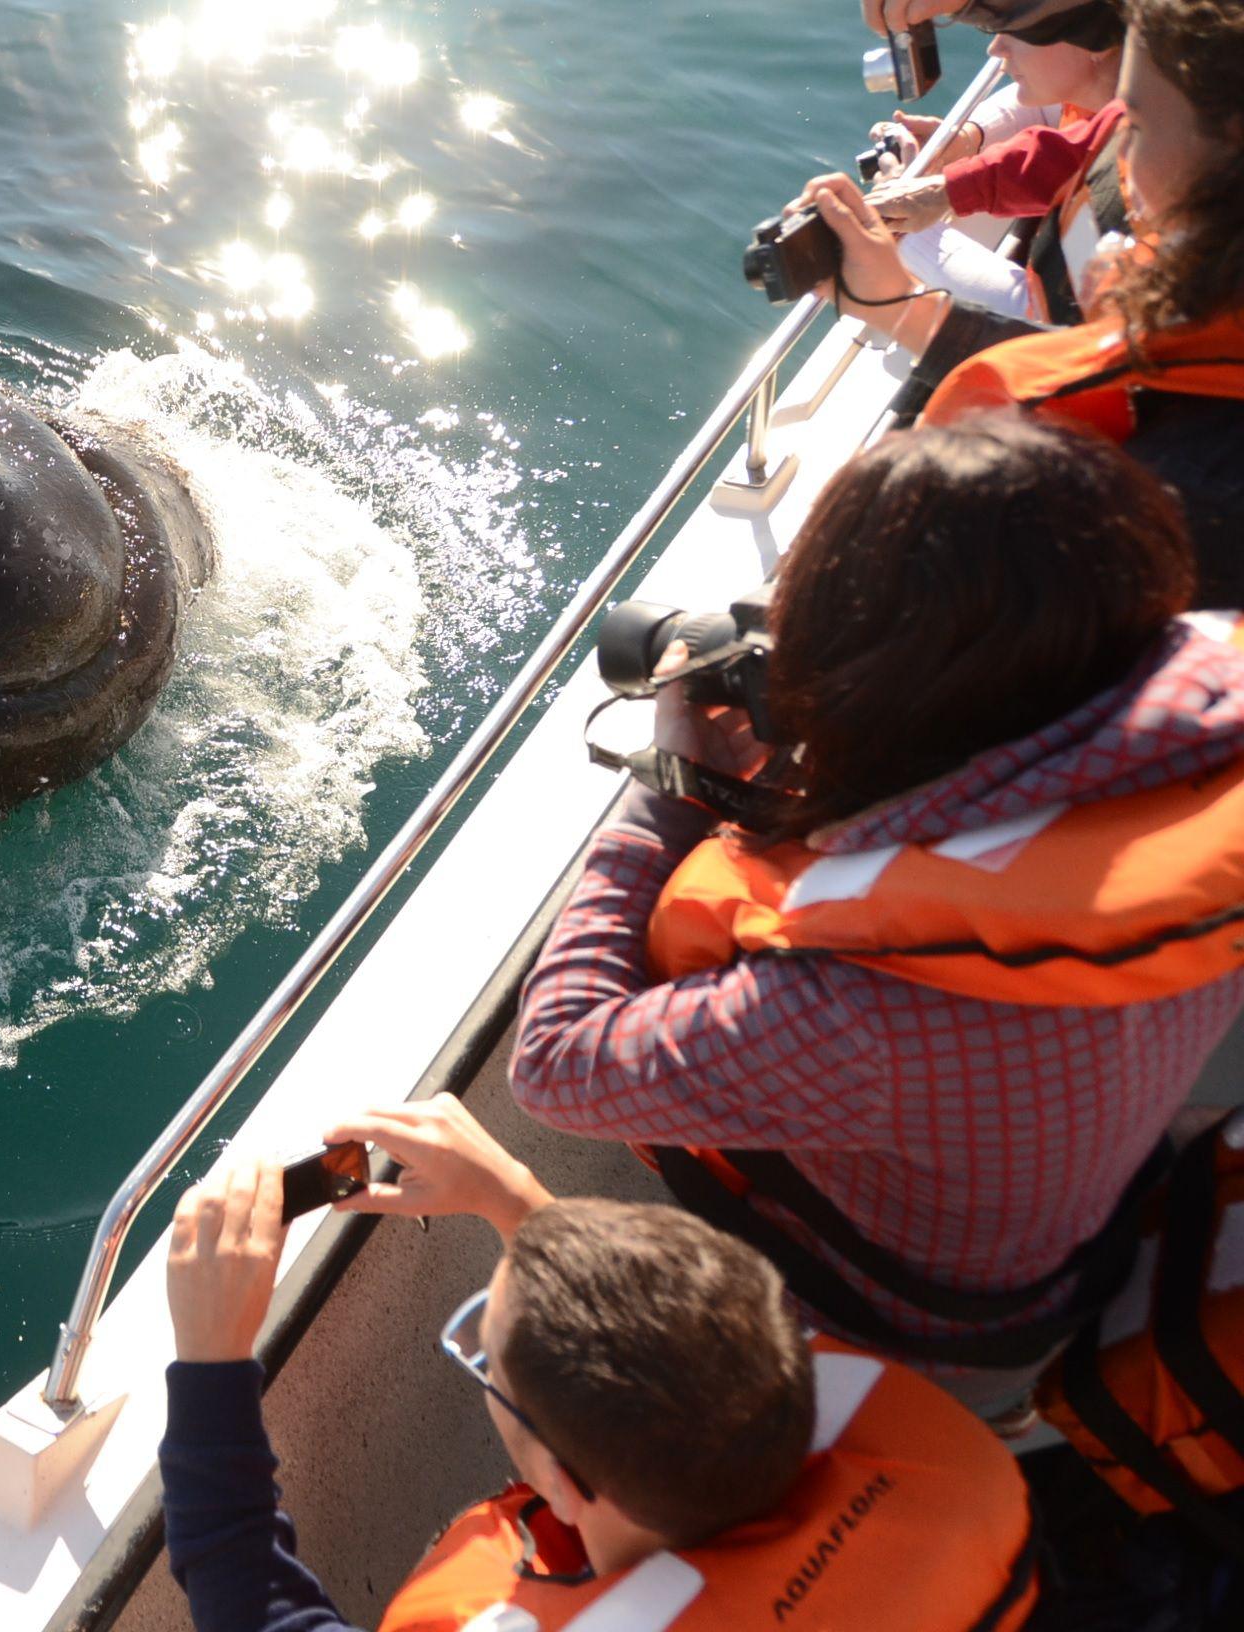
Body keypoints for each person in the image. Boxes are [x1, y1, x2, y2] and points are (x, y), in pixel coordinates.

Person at [506, 415, 1244, 1418]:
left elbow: (553, 1064)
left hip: (912, 1346)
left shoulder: (856, 1003)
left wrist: (672, 789)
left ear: (878, 690)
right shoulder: (1203, 780)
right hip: (1083, 1232)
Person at [156, 1096, 1039, 1632]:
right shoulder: (934, 1450)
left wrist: (209, 1362)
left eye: (487, 1358)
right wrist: (521, 1203)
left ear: (565, 1486)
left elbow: (256, 1610)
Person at [800, 0, 1244, 601]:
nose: (1117, 134)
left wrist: (902, 306)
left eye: (1135, 123)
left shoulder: (1196, 492)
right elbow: (1087, 144)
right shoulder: (1198, 226)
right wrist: (942, 194)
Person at [866, 3, 1127, 323]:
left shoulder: (1131, 193)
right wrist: (966, 141)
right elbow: (1057, 123)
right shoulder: (1129, 91)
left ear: (1098, 42)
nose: (996, 48)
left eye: (1018, 31)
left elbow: (1041, 316)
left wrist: (903, 233)